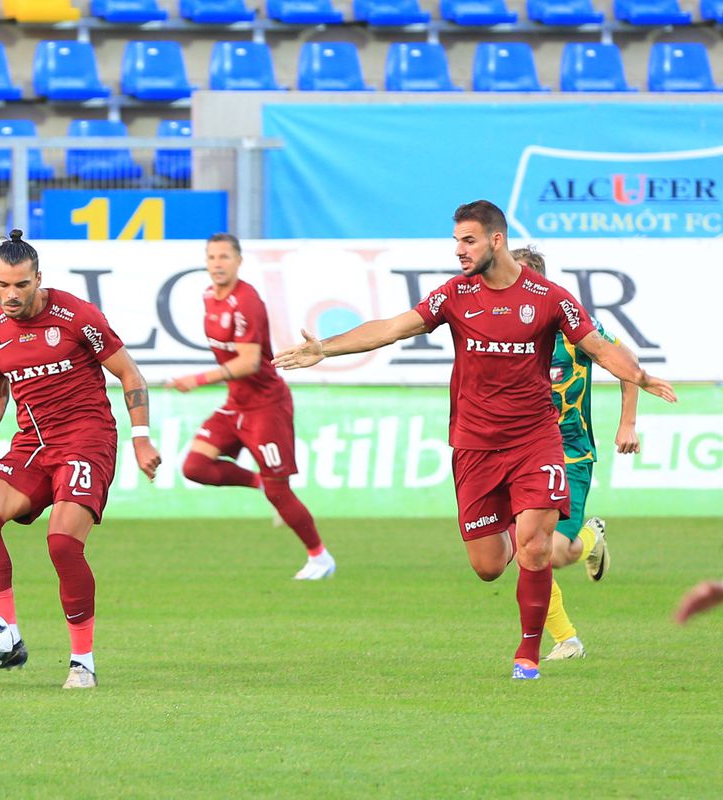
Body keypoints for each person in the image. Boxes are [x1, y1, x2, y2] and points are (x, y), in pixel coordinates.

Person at [273, 200, 677, 680]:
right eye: (456, 242)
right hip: (476, 447)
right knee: (488, 566)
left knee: (536, 545)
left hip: (536, 439)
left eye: (468, 241)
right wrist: (325, 347)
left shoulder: (549, 297)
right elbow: (391, 329)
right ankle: (529, 555)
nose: (460, 251)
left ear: (495, 240)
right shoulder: (453, 296)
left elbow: (600, 346)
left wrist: (641, 376)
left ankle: (528, 655)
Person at [0, 230, 161, 690]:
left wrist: (141, 437)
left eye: (20, 284)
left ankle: (83, 662)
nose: (10, 295)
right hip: (33, 444)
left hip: (87, 440)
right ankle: (8, 640)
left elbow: (128, 372)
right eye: (2, 285)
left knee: (61, 544)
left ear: (39, 278)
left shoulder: (77, 316)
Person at [167, 233, 335, 580]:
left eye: (224, 257)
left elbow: (249, 362)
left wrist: (197, 380)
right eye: (211, 256)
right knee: (195, 466)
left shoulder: (247, 302)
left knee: (280, 491)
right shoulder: (208, 297)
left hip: (266, 407)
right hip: (236, 403)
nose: (216, 263)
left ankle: (320, 557)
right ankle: (258, 481)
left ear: (239, 261)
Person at [511, 246, 640, 661]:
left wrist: (627, 424)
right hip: (520, 451)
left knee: (554, 553)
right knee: (524, 549)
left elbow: (627, 361)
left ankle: (589, 536)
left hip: (569, 453)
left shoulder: (571, 325)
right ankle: (566, 640)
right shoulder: (501, 329)